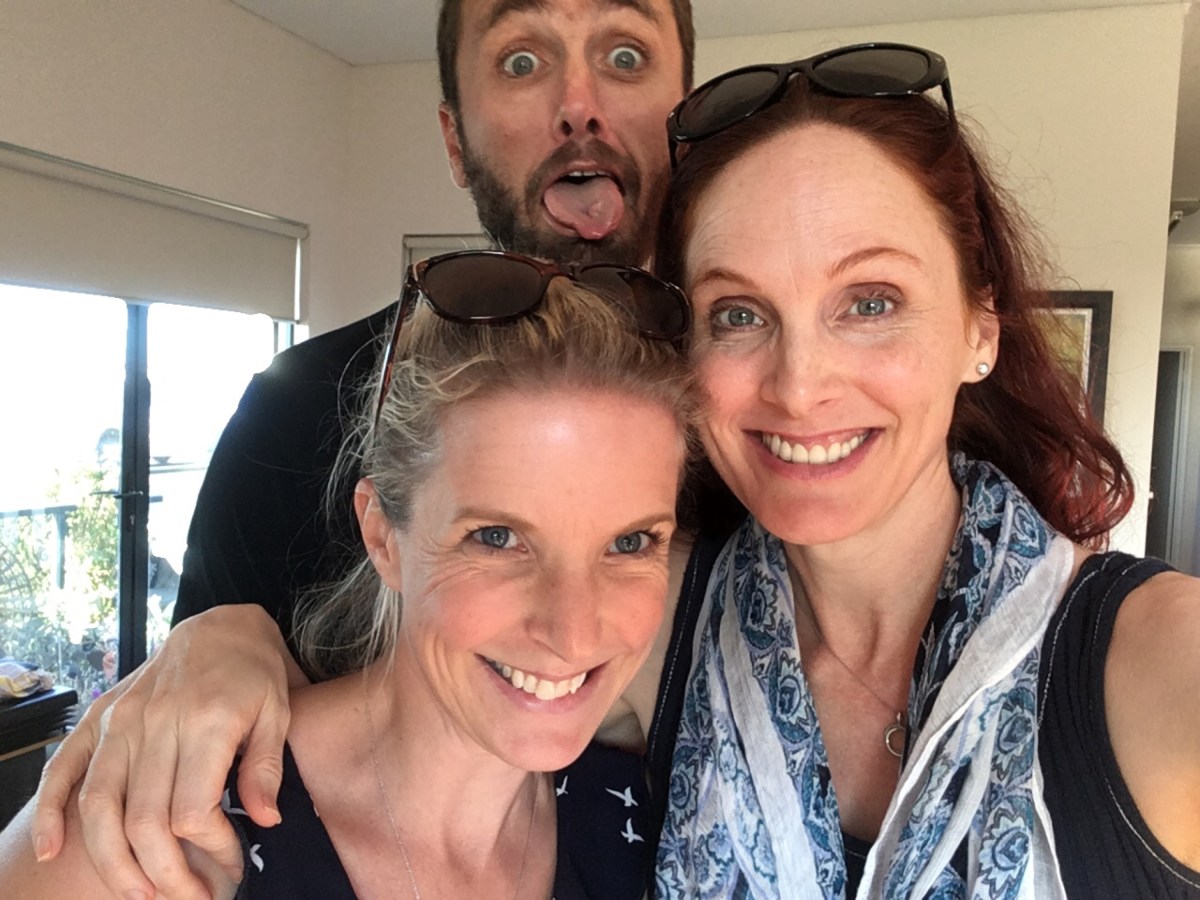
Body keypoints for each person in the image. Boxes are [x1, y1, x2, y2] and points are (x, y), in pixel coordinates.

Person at [27, 1, 695, 897]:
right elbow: (183, 722)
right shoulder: (292, 409)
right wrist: (214, 636)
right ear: (456, 141)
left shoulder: (759, 418)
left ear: (684, 120)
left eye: (625, 54)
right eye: (522, 61)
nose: (580, 106)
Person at [648, 44, 1200, 897]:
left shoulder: (1162, 659)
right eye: (738, 313)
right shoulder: (648, 624)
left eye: (870, 302)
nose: (798, 386)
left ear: (980, 330)